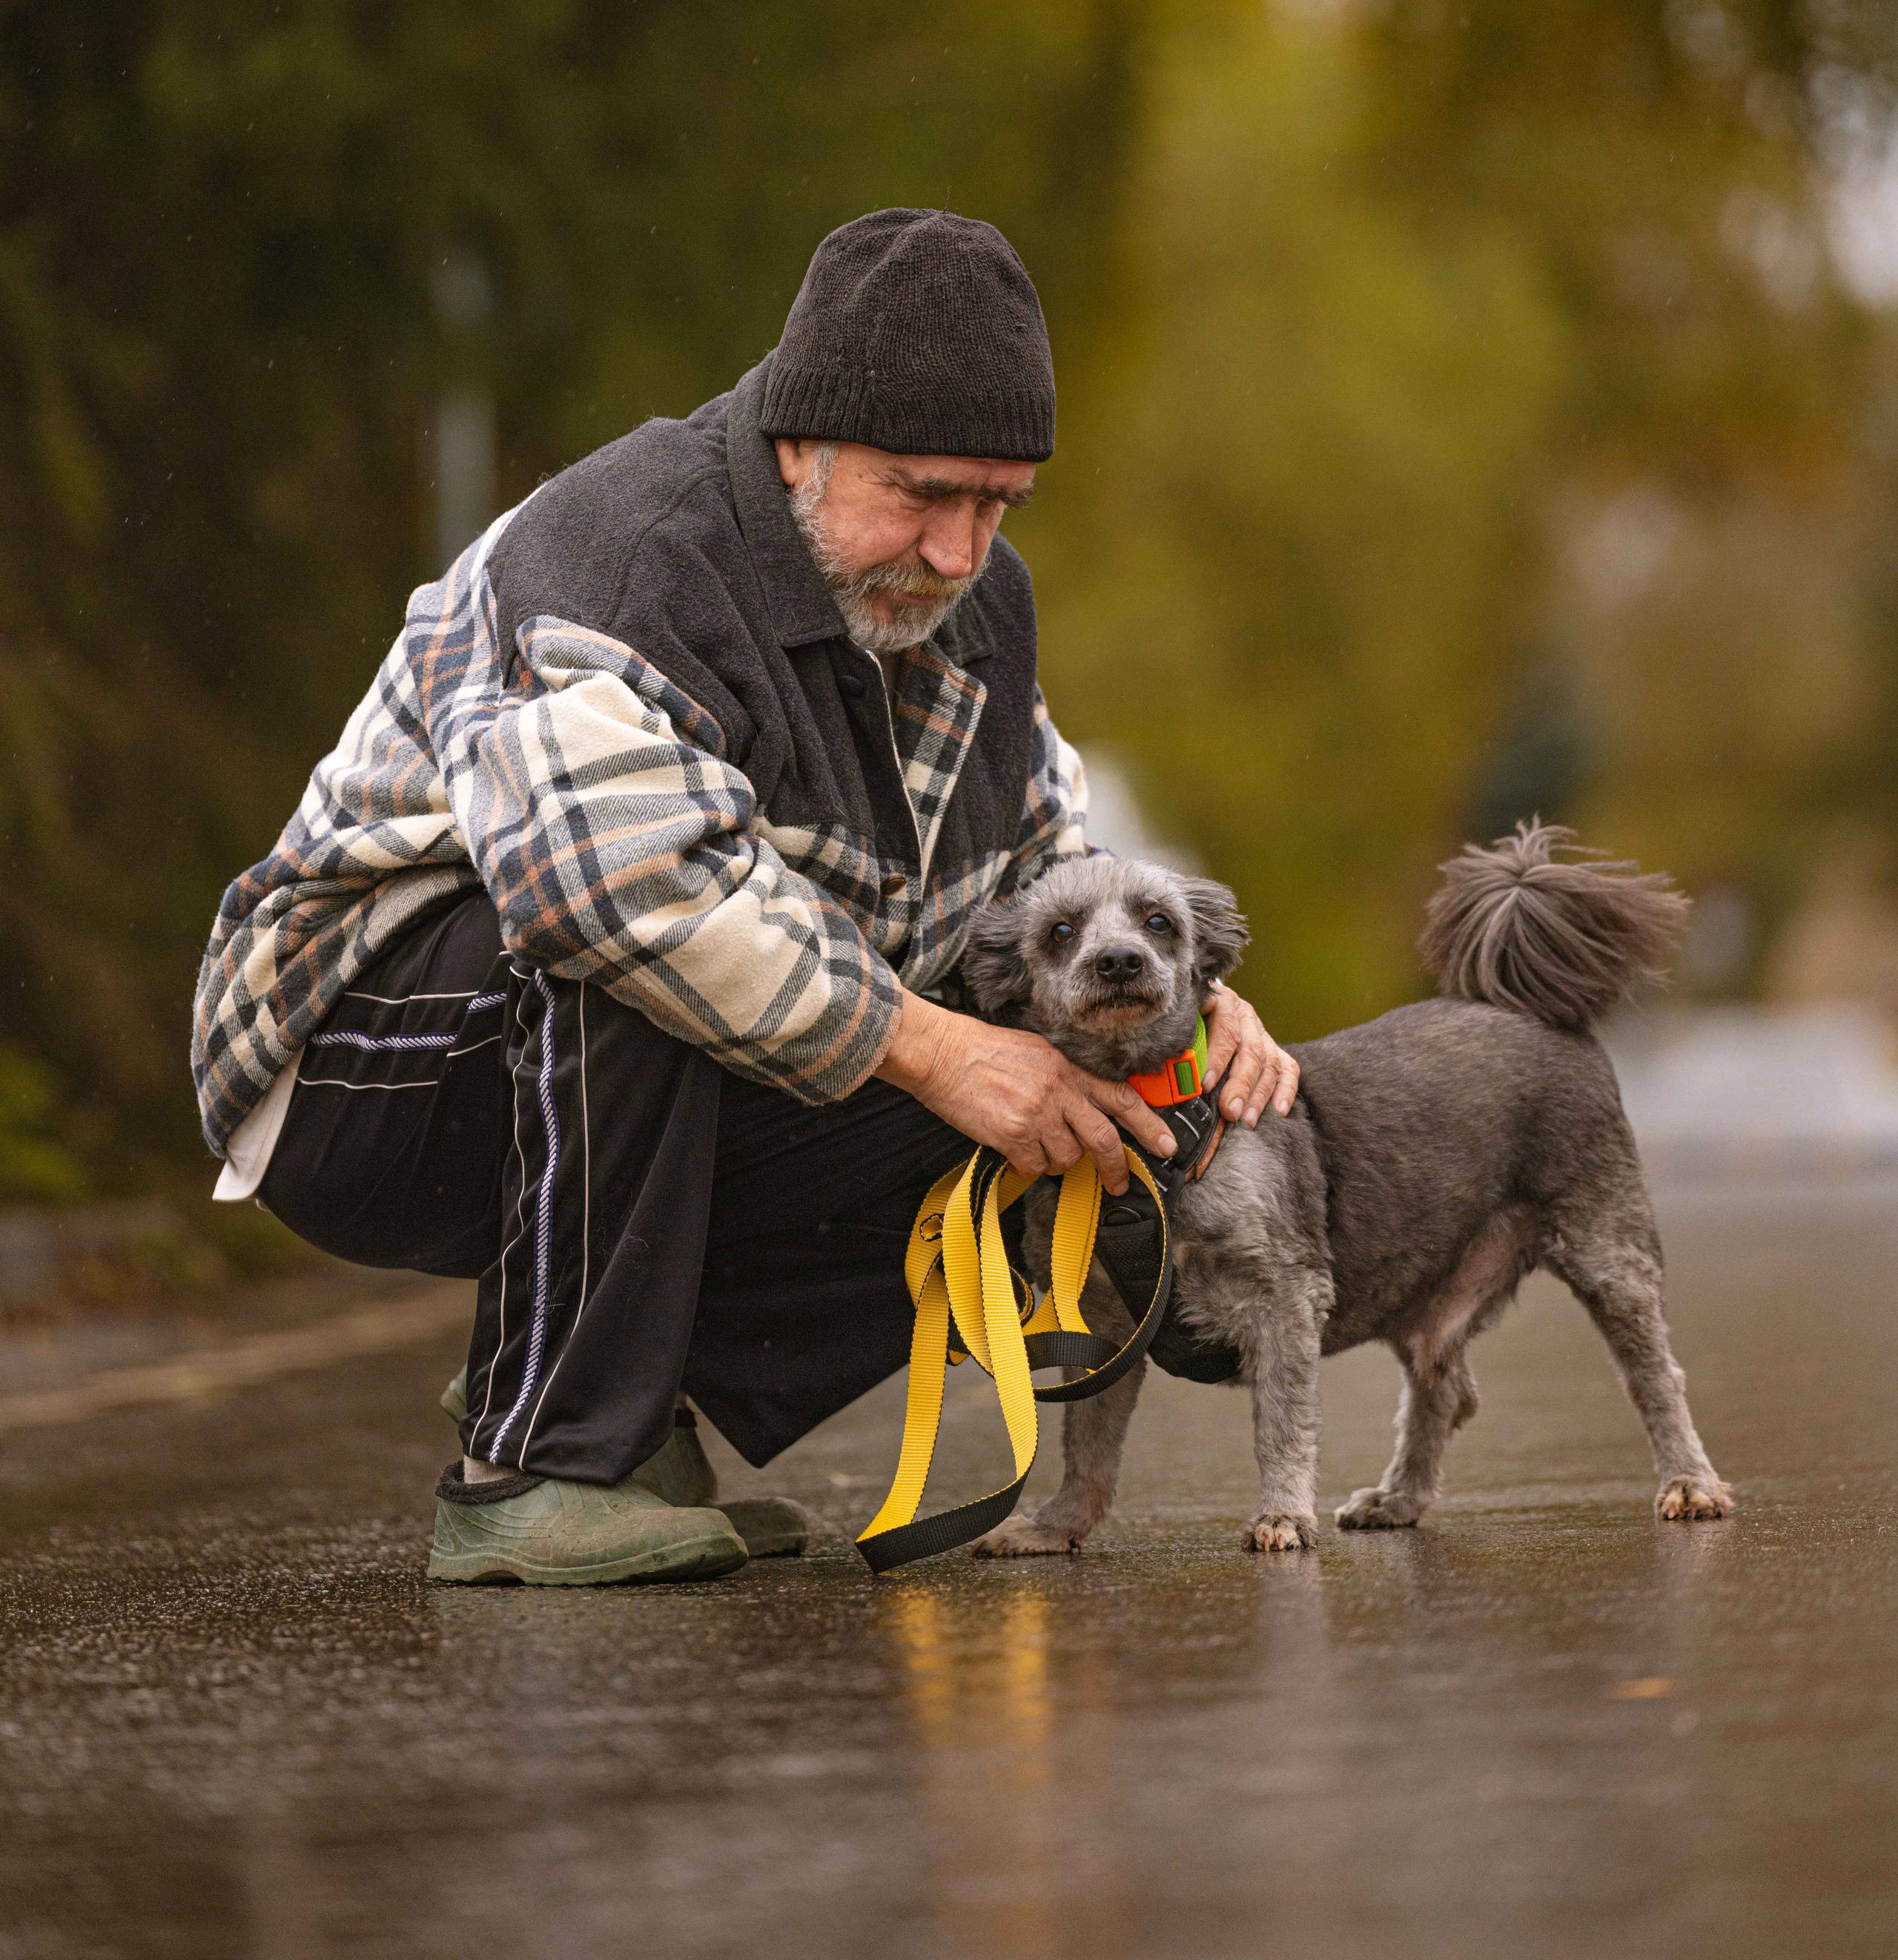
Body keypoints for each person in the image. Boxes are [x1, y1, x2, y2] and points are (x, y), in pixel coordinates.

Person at [193, 208, 1300, 1584]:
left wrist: (1193, 1010)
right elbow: (608, 882)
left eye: (997, 503)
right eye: (922, 492)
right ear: (804, 443)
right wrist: (944, 1049)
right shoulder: (631, 548)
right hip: (348, 1065)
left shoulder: (966, 605)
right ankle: (536, 1464)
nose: (960, 552)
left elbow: (1046, 884)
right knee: (654, 934)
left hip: (587, 1048)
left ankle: (640, 1418)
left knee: (1044, 1071)